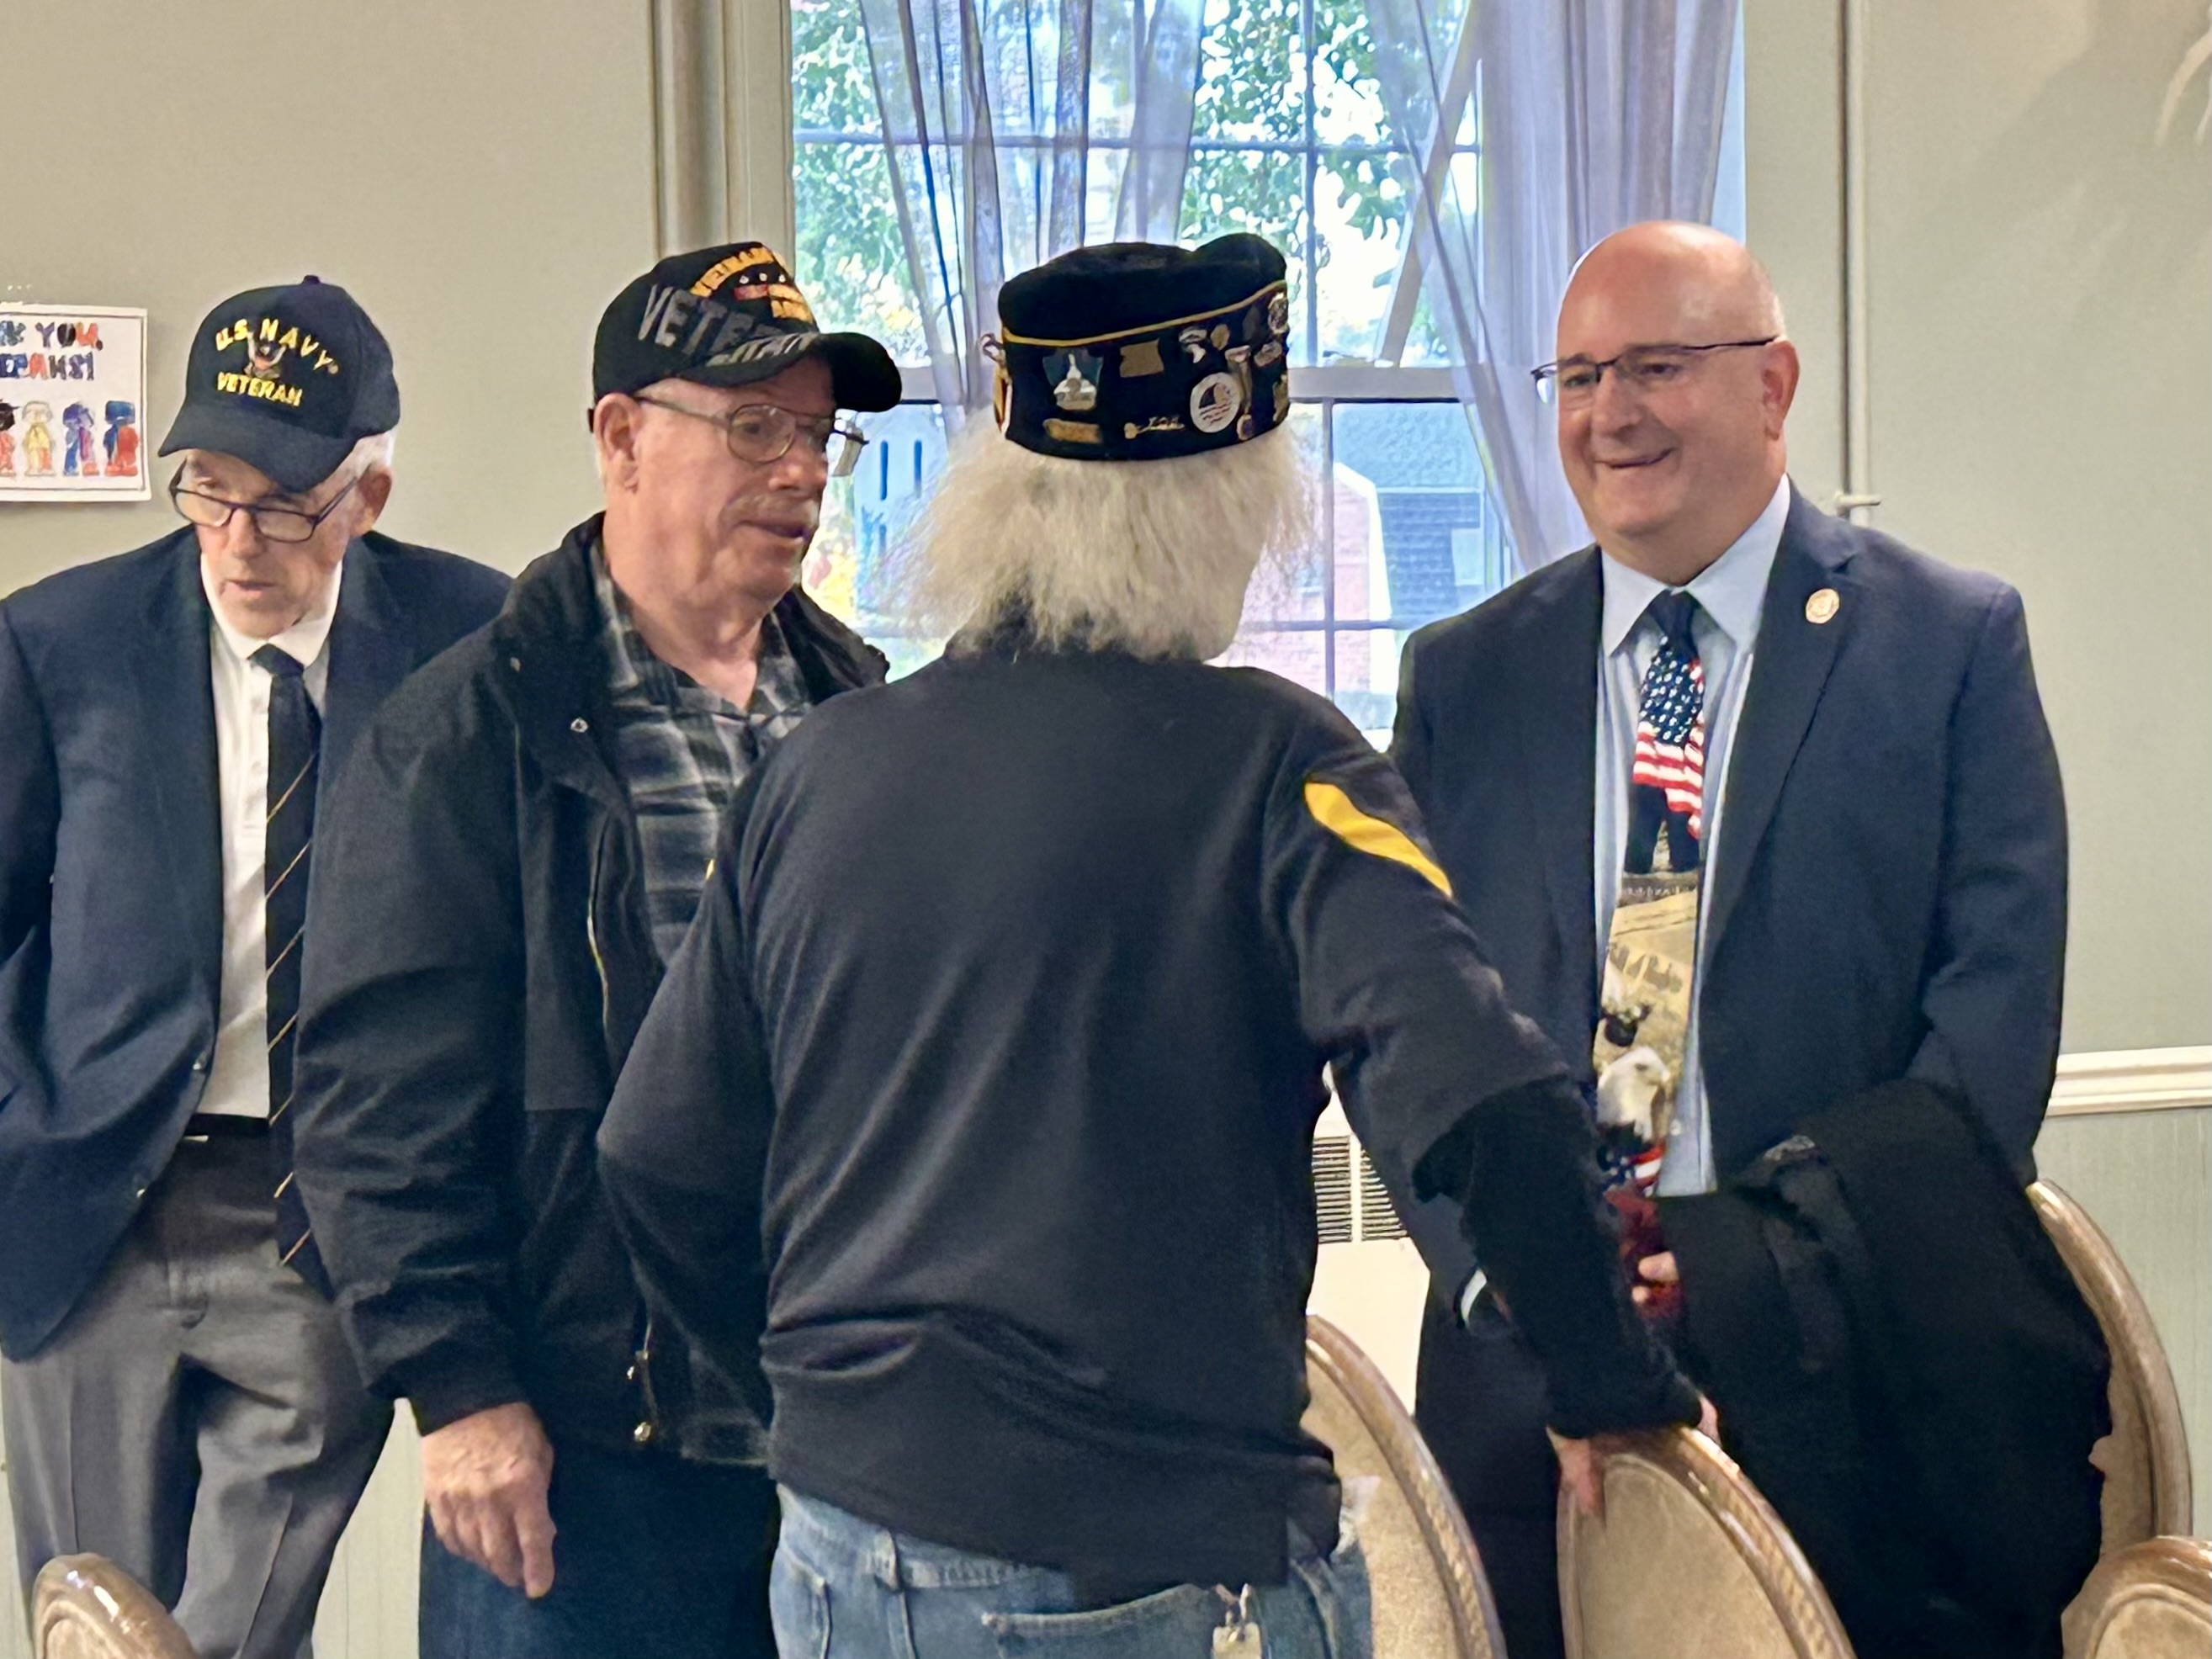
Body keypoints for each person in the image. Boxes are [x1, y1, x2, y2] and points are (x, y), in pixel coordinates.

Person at [593, 234, 1700, 1659]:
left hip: (838, 1555)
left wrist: (828, 1404)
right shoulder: (1277, 767)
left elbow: (657, 1156)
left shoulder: (823, 766)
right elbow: (1483, 1094)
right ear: (1223, 506)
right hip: (1149, 1568)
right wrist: (1607, 1380)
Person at [1391, 221, 2078, 1659]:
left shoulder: (1946, 647)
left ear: (1771, 385)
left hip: (1847, 1364)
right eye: (1575, 375)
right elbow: (1406, 1028)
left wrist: (1733, 1261)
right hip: (1520, 1379)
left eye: (1654, 365)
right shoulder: (1467, 675)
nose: (1608, 413)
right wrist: (1521, 1274)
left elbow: (1984, 1050)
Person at [289, 243, 902, 1659]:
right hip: (588, 1449)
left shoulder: (864, 717)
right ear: (620, 437)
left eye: (818, 434)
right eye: (753, 427)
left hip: (849, 1431)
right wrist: (459, 1390)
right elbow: (378, 1108)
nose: (800, 471)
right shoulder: (467, 734)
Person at [0, 276, 508, 1659]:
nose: (237, 541)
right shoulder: (61, 643)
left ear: (368, 497)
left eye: (281, 504)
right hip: (91, 1208)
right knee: (85, 1612)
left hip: (322, 1209)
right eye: (206, 489)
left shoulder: (472, 643)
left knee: (227, 1625)